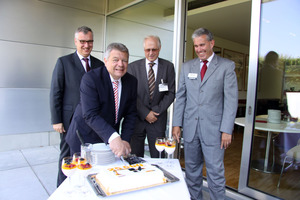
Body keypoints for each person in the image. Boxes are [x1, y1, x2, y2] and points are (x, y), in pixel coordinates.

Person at [172, 28, 238, 200]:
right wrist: (176, 124)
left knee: (215, 173)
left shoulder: (226, 66)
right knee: (192, 171)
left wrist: (227, 130)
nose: (199, 49)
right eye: (196, 46)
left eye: (202, 45)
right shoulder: (187, 67)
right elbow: (181, 97)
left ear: (211, 43)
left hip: (215, 131)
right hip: (190, 128)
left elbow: (231, 101)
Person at [50, 26, 104, 187]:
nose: (86, 45)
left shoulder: (100, 64)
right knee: (68, 157)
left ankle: (85, 188)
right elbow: (55, 92)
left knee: (89, 158)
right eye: (82, 41)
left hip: (92, 121)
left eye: (90, 41)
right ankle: (62, 190)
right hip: (68, 121)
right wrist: (56, 120)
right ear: (75, 42)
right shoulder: (63, 62)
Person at [66, 43, 137, 158]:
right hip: (84, 137)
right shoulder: (91, 79)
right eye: (115, 60)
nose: (120, 64)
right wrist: (114, 137)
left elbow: (131, 114)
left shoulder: (131, 81)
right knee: (82, 173)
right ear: (105, 60)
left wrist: (125, 139)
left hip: (108, 138)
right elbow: (90, 114)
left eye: (124, 60)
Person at [127, 35, 175, 158]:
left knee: (158, 157)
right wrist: (145, 113)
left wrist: (156, 111)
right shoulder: (132, 67)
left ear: (159, 49)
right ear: (144, 50)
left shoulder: (168, 67)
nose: (151, 53)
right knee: (135, 157)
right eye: (148, 50)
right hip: (137, 119)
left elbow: (171, 93)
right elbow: (131, 94)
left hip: (157, 120)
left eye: (154, 49)